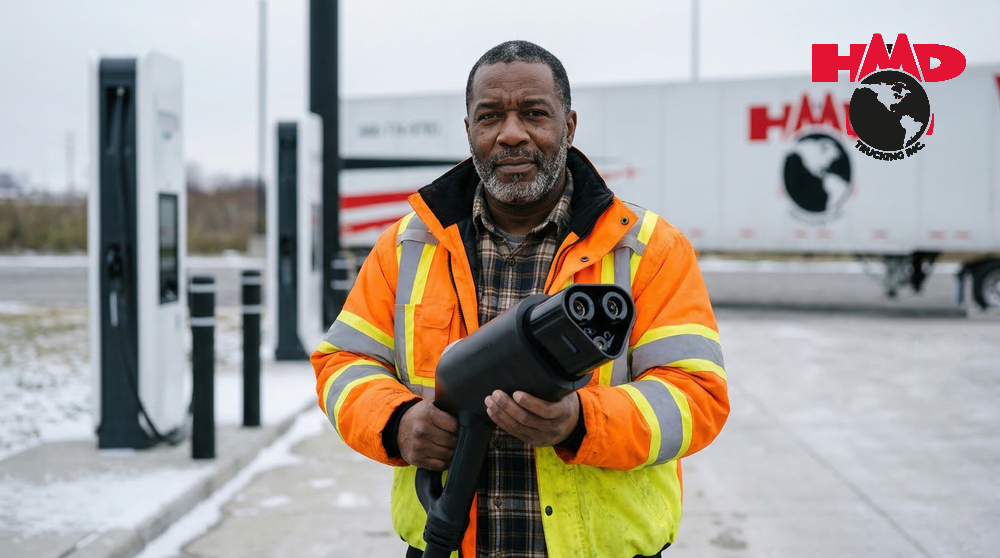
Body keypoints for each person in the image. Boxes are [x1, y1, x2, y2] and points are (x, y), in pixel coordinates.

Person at [312, 40, 730, 558]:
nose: (512, 134)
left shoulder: (649, 249)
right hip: (447, 545)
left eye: (534, 113)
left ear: (568, 126)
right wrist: (396, 422)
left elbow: (697, 394)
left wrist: (582, 420)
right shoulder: (406, 246)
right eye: (491, 117)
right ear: (469, 131)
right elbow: (343, 363)